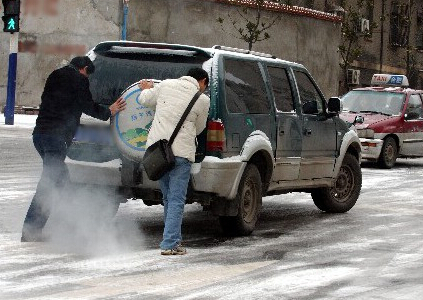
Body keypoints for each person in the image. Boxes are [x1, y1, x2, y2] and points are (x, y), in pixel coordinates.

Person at [21, 56, 126, 242]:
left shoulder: (55, 75)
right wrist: (108, 111)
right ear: (84, 68)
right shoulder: (78, 80)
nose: (87, 78)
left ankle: (73, 223)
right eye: (87, 74)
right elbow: (87, 105)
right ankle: (31, 230)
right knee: (49, 184)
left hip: (40, 136)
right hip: (56, 138)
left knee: (63, 183)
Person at [138, 67, 210, 255]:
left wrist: (146, 88)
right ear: (202, 81)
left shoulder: (166, 85)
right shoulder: (202, 100)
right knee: (176, 199)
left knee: (168, 197)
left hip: (159, 153)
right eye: (205, 86)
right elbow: (200, 127)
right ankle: (170, 243)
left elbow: (143, 99)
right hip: (181, 154)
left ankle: (173, 240)